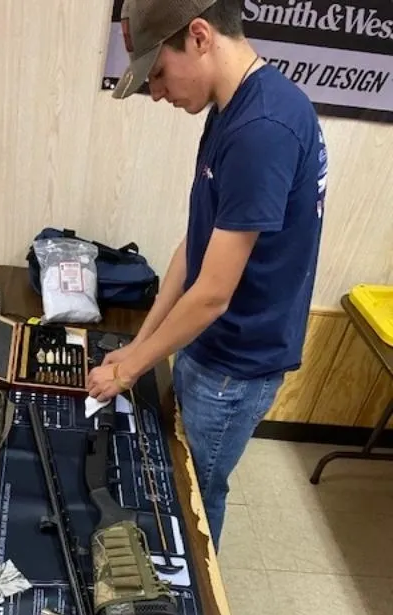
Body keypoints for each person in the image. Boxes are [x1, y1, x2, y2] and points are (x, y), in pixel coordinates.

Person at [86, 0, 328, 551]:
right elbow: (192, 248)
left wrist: (130, 370)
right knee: (175, 475)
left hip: (235, 364)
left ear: (198, 37)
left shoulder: (262, 128)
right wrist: (137, 347)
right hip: (207, 344)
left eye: (159, 74)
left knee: (196, 496)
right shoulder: (230, 109)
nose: (156, 92)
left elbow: (214, 294)